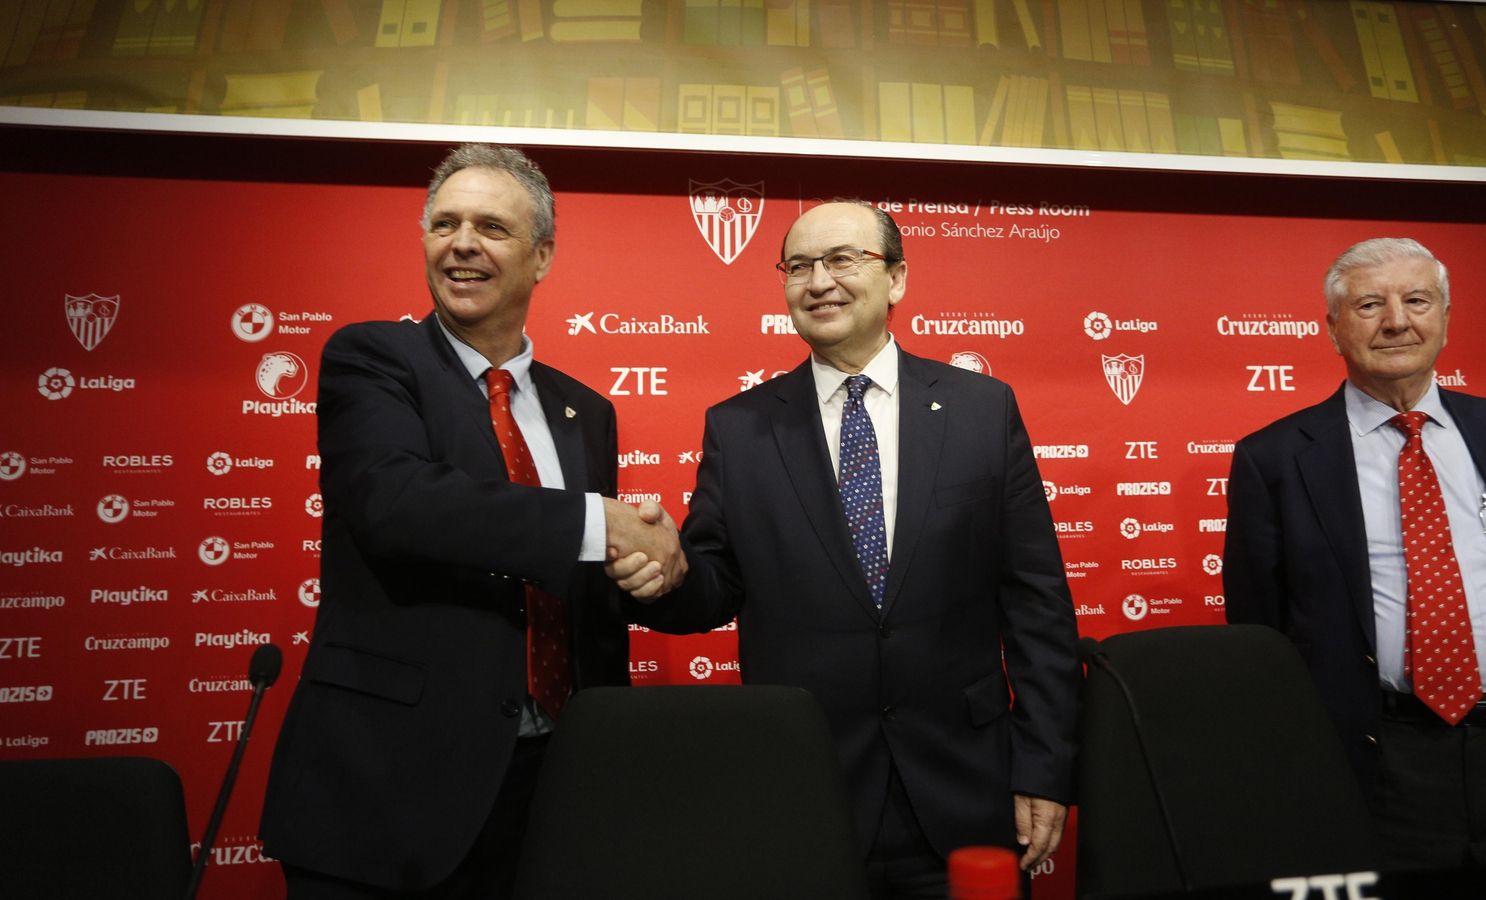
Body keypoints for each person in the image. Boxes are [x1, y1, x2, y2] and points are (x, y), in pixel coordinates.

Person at [611, 200, 1080, 898]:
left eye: (842, 260)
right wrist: (662, 569)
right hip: (807, 790)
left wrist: (1043, 765)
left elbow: (1036, 603)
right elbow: (713, 588)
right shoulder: (740, 430)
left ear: (896, 279)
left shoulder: (983, 410)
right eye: (798, 266)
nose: (818, 281)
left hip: (967, 786)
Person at [259, 143, 684, 898]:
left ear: (542, 255)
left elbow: (577, 576)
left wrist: (647, 565)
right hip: (389, 793)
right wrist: (603, 524)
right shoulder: (373, 359)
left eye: (491, 227)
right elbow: (401, 505)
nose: (461, 243)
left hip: (555, 789)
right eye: (444, 224)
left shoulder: (585, 409)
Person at [1223, 237, 1486, 880]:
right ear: (1333, 327)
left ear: (1446, 319)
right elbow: (1261, 631)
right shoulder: (1276, 458)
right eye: (1370, 304)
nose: (1397, 320)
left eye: (1417, 300)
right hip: (1380, 762)